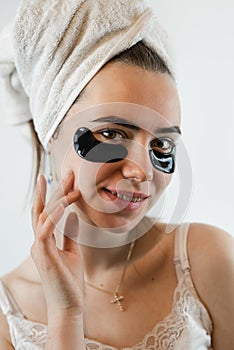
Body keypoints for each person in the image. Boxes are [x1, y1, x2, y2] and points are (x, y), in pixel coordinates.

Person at [0, 1, 233, 349]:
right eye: (111, 134)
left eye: (162, 144)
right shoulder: (8, 315)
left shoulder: (208, 261)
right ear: (52, 133)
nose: (142, 171)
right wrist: (66, 315)